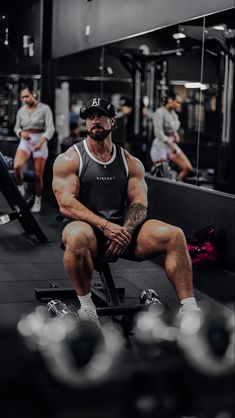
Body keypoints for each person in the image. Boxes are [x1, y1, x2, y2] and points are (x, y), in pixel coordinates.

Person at [52, 97, 200, 326]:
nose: (95, 121)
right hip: (89, 230)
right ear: (85, 123)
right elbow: (66, 203)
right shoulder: (70, 159)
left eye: (100, 115)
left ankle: (190, 308)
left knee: (175, 235)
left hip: (121, 233)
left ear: (113, 121)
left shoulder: (130, 162)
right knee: (77, 235)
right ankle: (87, 307)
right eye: (90, 117)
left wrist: (126, 231)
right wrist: (105, 226)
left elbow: (140, 203)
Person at [14, 85, 55, 212]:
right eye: (23, 97)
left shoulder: (44, 108)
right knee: (17, 166)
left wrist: (42, 141)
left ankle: (38, 201)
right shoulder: (21, 111)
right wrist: (21, 133)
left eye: (27, 96)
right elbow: (16, 128)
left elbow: (50, 128)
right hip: (25, 141)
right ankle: (20, 188)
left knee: (38, 175)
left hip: (40, 140)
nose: (25, 99)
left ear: (34, 94)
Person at [151, 91, 192, 181]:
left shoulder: (174, 114)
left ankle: (177, 186)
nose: (179, 105)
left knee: (187, 168)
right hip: (161, 145)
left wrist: (175, 135)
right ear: (170, 100)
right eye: (177, 102)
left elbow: (173, 130)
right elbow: (158, 133)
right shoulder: (160, 112)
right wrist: (170, 144)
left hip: (171, 145)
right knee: (162, 174)